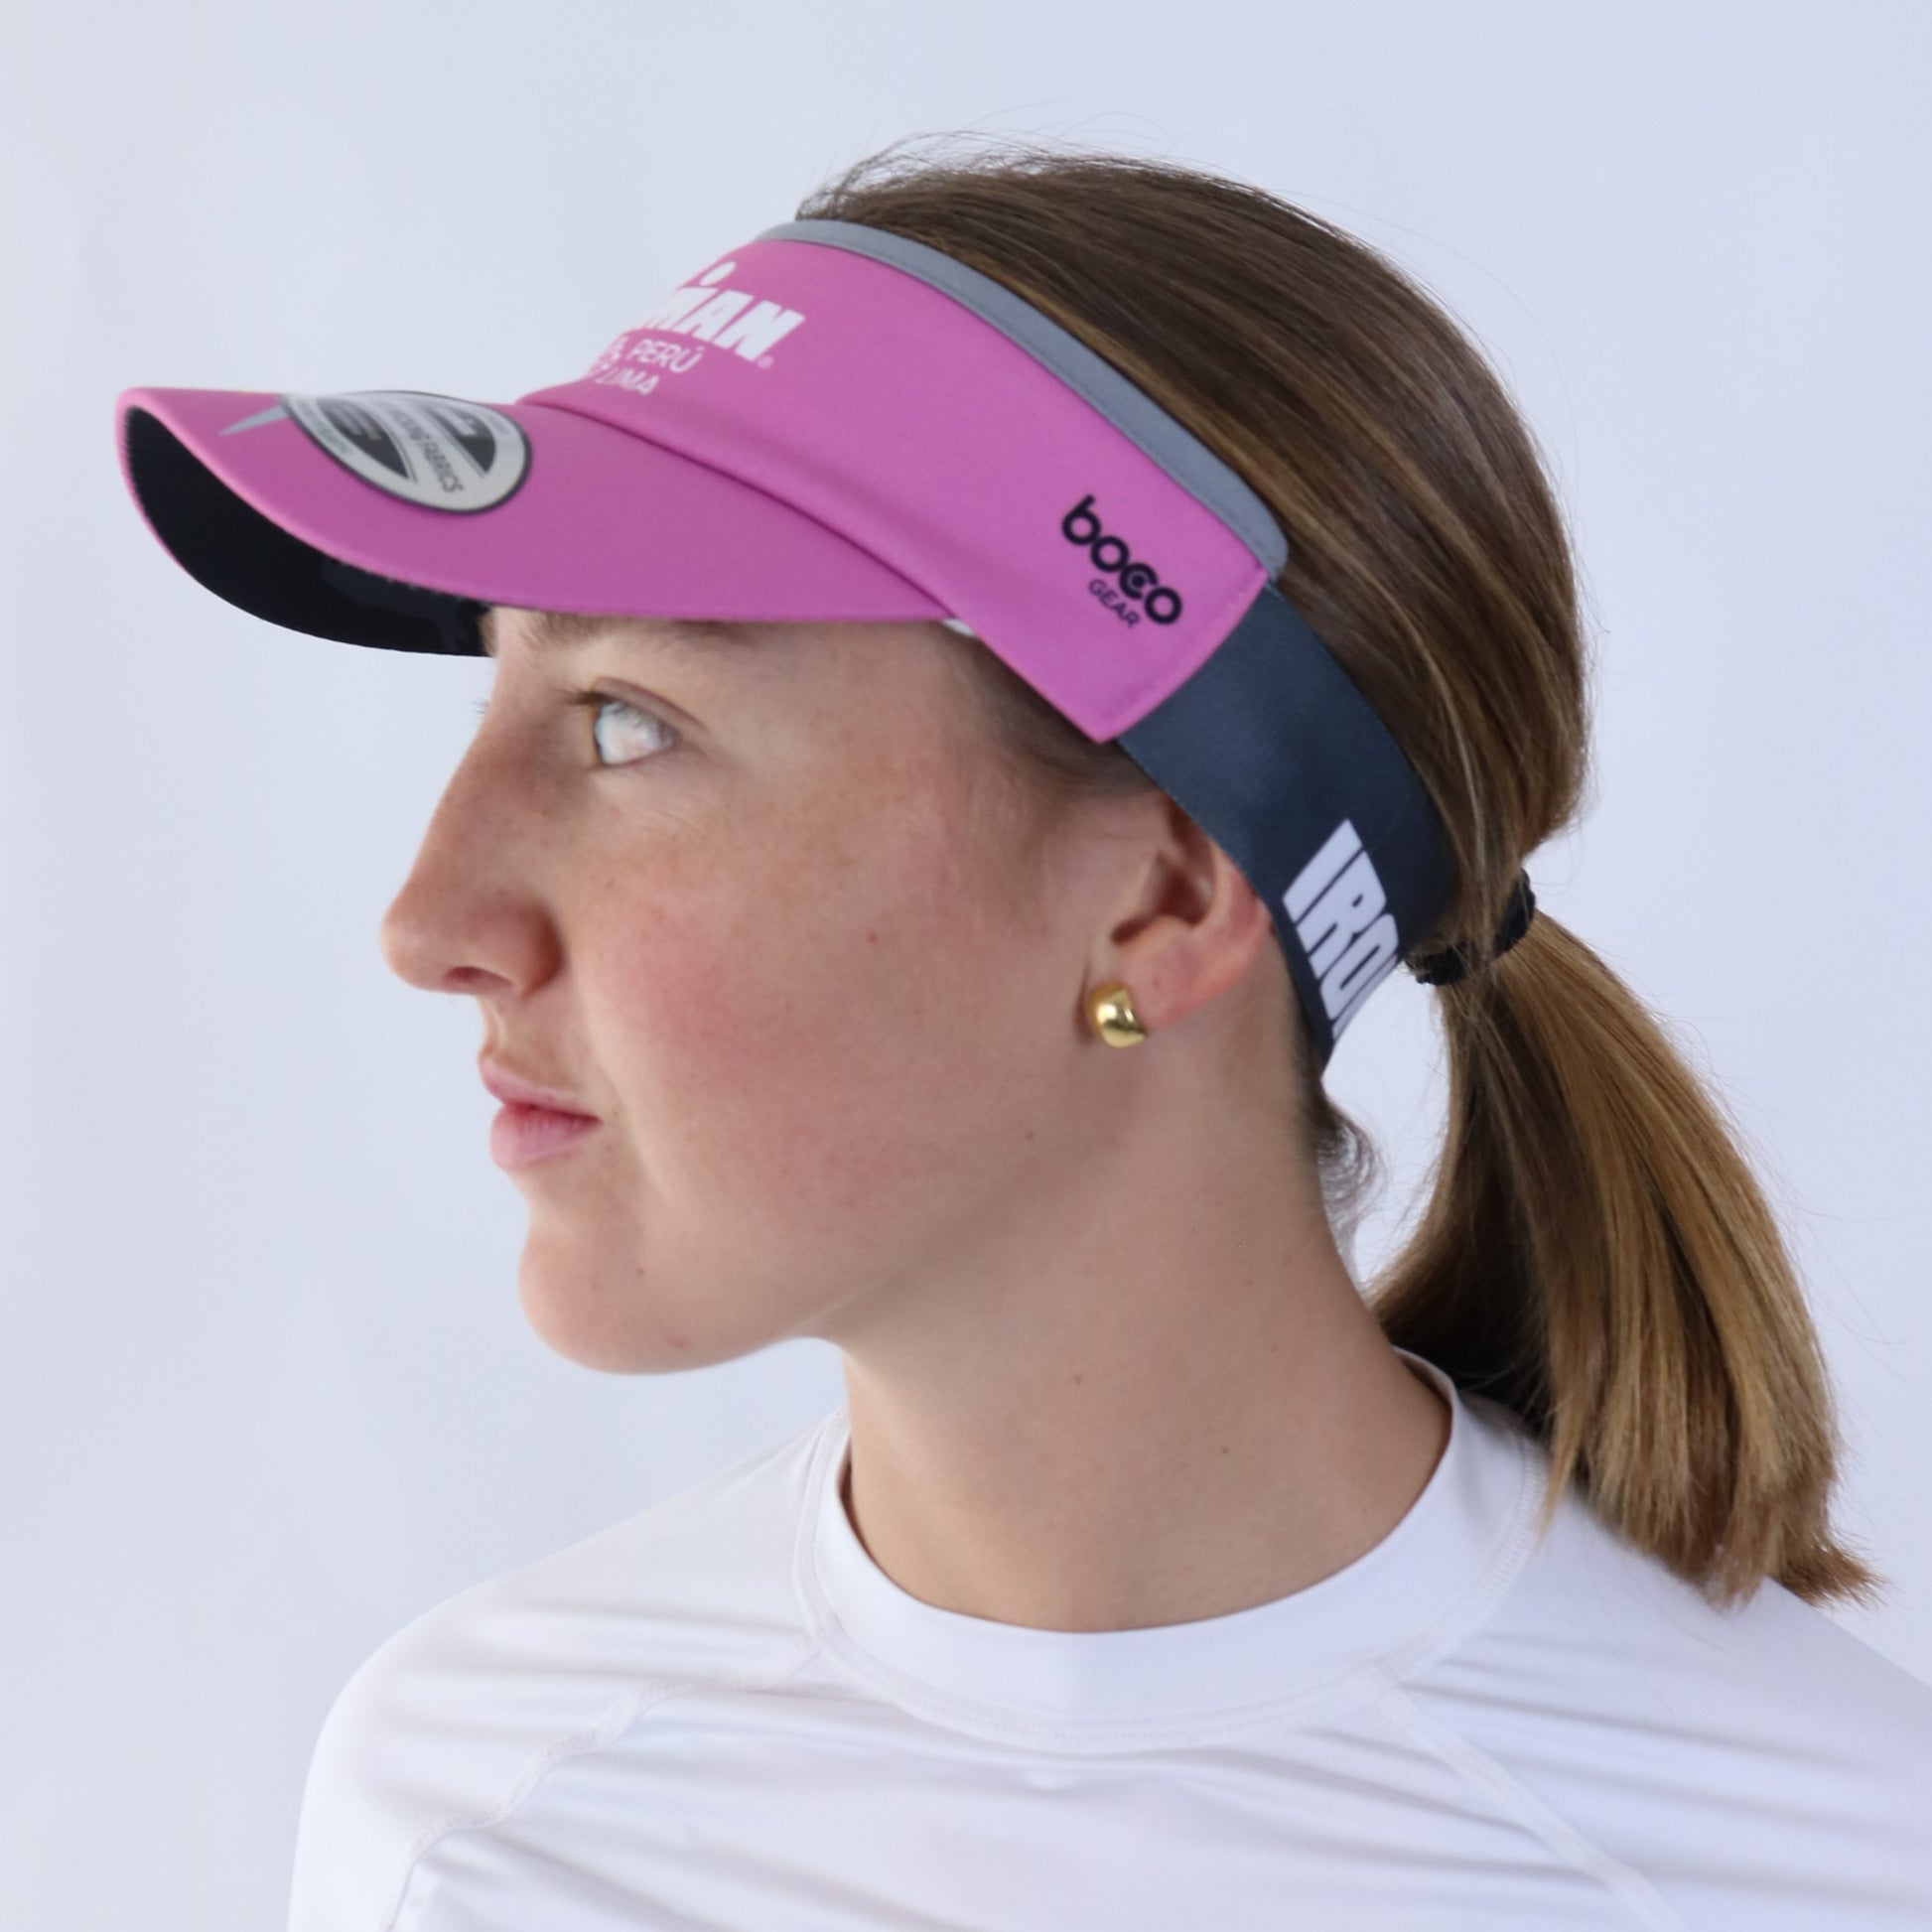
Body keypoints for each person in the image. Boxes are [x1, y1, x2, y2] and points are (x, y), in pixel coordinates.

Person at [115, 136, 1930, 1930]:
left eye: (623, 723)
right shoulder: (477, 1814)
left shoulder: (1832, 1866)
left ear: (1165, 893)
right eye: (504, 697)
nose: (429, 923)